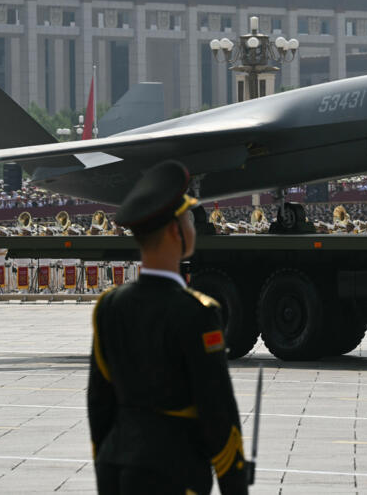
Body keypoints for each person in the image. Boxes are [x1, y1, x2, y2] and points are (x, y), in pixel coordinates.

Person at [88, 160, 249, 494]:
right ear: (176, 231)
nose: (193, 226)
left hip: (114, 467)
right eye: (189, 218)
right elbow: (217, 411)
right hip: (172, 473)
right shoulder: (197, 312)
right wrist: (234, 486)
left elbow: (99, 405)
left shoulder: (109, 307)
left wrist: (109, 462)